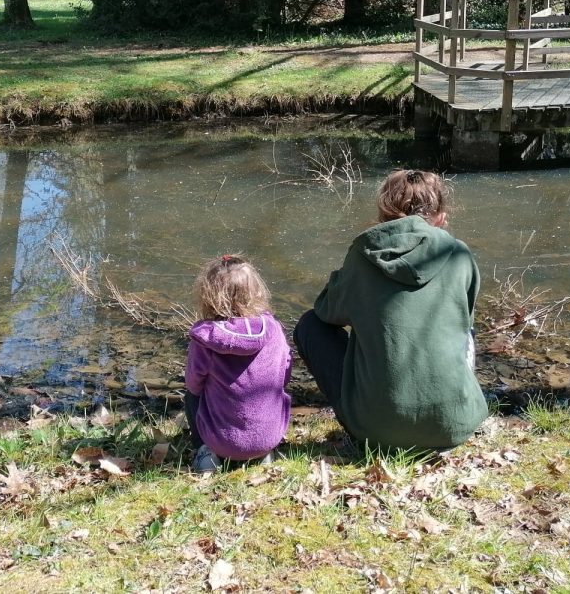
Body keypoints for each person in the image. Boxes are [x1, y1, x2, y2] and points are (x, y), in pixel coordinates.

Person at [293, 169, 487, 452]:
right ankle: (450, 404)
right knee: (464, 327)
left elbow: (325, 312)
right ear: (441, 216)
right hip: (455, 426)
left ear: (383, 212)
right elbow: (465, 327)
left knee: (310, 326)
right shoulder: (459, 254)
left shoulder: (364, 253)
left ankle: (374, 414)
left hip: (376, 431)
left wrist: (348, 282)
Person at [184, 255, 292, 473]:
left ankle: (205, 453)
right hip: (269, 437)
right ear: (256, 291)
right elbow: (285, 373)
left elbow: (193, 384)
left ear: (208, 295)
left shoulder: (206, 338)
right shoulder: (273, 329)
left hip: (221, 441)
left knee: (191, 396)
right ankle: (263, 454)